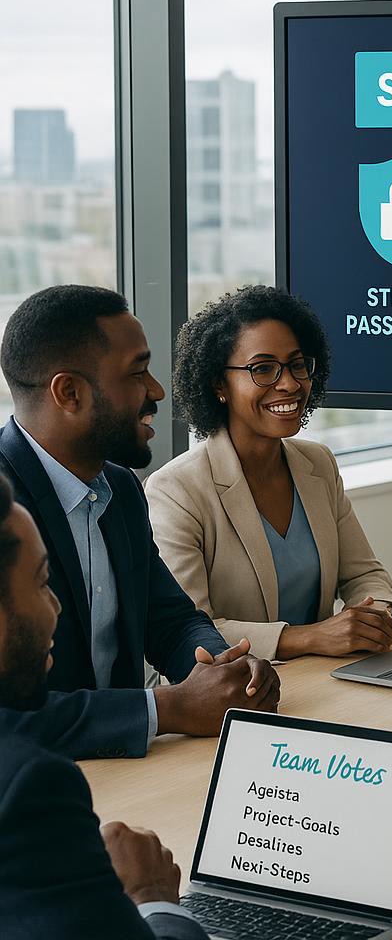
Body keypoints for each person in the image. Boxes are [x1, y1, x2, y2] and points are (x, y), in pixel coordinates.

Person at [0, 285, 279, 761]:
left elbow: (168, 619)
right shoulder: (5, 514)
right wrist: (167, 709)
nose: (157, 391)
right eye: (137, 373)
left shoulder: (121, 489)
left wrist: (223, 671)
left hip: (131, 777)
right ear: (68, 392)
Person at [0, 470, 210, 939]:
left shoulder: (121, 489)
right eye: (39, 583)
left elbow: (169, 615)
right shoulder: (29, 789)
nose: (53, 606)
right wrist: (152, 897)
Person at [145, 285, 392, 662]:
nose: (290, 383)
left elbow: (365, 575)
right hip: (233, 694)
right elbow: (188, 630)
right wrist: (310, 638)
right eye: (262, 369)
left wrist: (377, 614)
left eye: (297, 364)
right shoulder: (176, 490)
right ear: (219, 385)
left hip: (324, 681)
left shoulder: (318, 464)